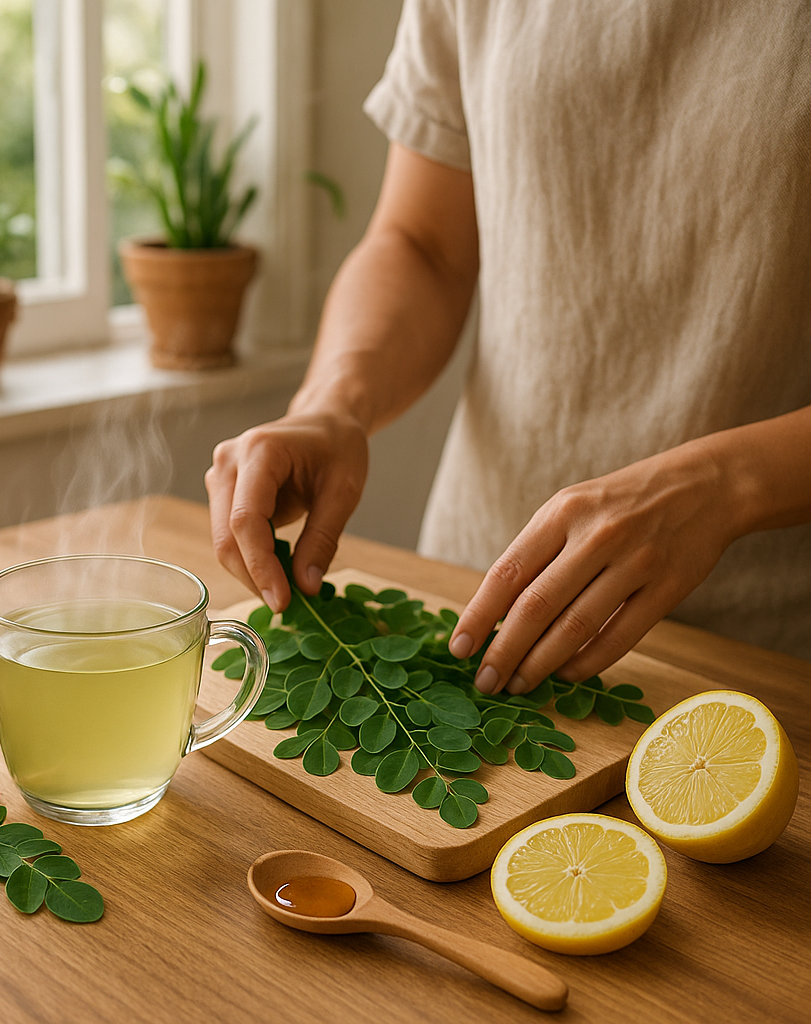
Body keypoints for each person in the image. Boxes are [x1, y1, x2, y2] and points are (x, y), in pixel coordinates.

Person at [204, 0, 811, 696]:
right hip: (474, 602)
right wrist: (331, 404)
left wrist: (726, 485)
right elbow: (423, 244)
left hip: (762, 652)